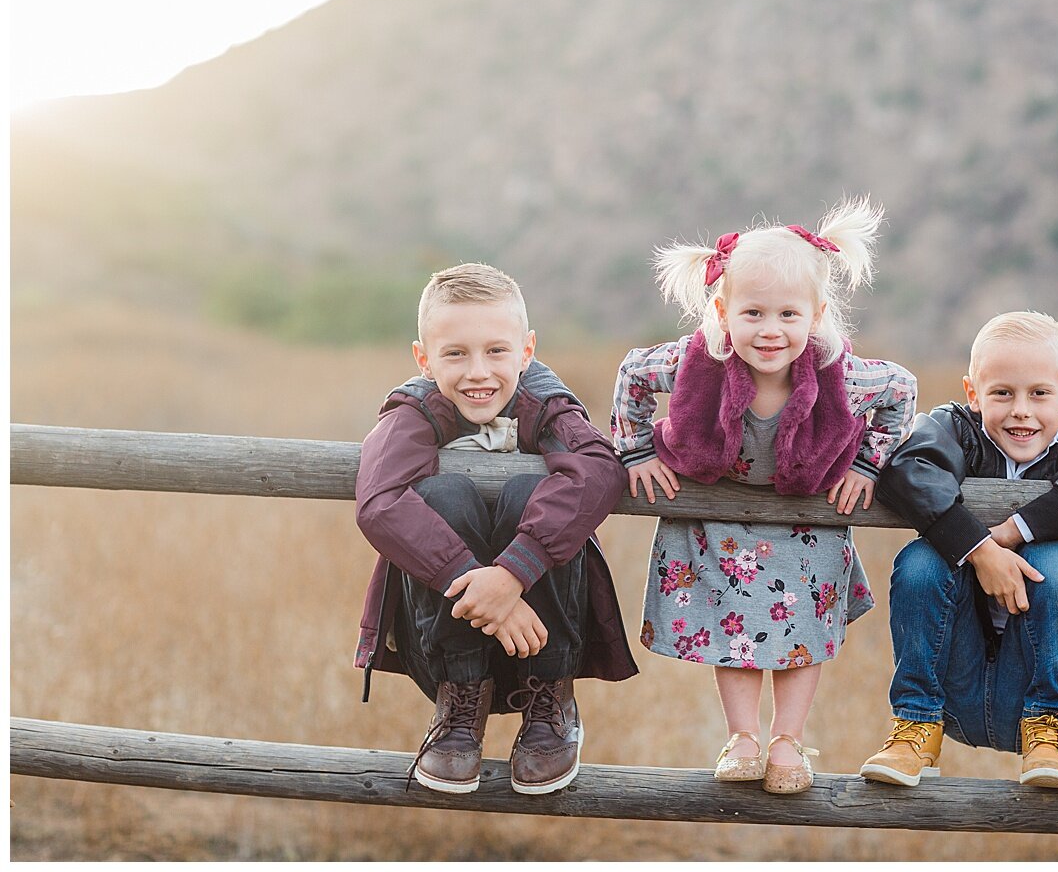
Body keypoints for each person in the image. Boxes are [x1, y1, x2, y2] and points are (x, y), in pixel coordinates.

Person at [611, 197, 916, 795]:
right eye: (752, 313)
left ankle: (788, 741)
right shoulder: (695, 360)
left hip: (807, 520)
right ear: (722, 311)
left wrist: (867, 464)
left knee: (801, 631)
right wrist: (636, 452)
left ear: (817, 314)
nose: (769, 331)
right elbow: (632, 377)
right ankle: (743, 737)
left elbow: (902, 392)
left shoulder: (844, 375)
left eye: (787, 314)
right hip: (719, 512)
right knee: (733, 623)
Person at [353, 262, 637, 797]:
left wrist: (513, 572)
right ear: (423, 358)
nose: (478, 372)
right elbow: (379, 501)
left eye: (497, 351)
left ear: (527, 351)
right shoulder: (413, 412)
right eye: (455, 353)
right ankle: (459, 706)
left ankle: (549, 703)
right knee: (443, 495)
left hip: (549, 641)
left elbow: (600, 467)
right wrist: (477, 580)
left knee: (527, 492)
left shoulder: (547, 406)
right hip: (441, 648)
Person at [862, 311, 1058, 790]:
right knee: (921, 560)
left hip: (1042, 685)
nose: (1021, 411)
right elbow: (907, 469)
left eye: (1040, 393)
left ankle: (1049, 733)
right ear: (973, 394)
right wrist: (979, 551)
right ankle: (915, 726)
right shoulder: (953, 427)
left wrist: (1008, 534)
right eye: (1002, 393)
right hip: (953, 686)